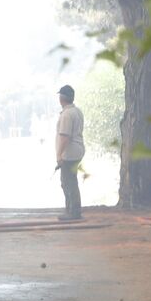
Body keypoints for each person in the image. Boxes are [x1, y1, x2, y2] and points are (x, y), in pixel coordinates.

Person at [55, 84, 86, 221]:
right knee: (70, 181)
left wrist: (59, 155)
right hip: (77, 150)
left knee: (68, 182)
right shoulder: (77, 111)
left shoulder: (66, 115)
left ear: (61, 98)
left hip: (70, 152)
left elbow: (65, 137)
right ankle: (73, 210)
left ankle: (73, 212)